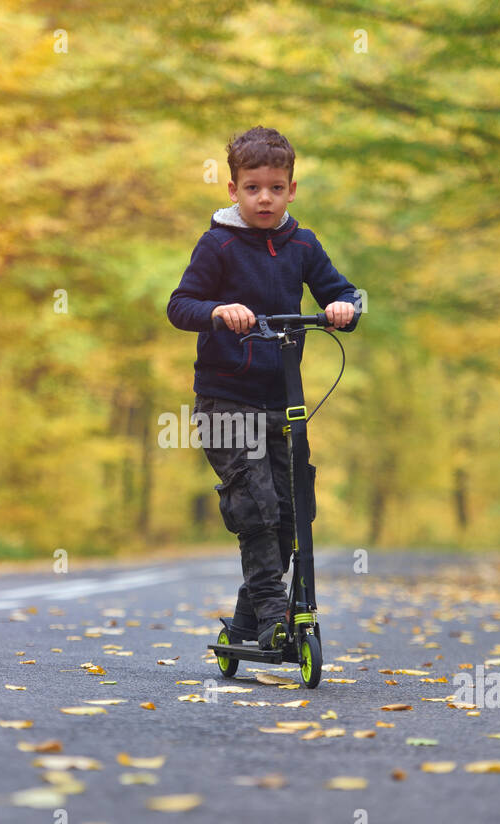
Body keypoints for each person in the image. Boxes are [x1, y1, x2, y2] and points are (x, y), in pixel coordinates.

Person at [167, 126, 360, 650]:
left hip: (284, 400)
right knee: (255, 507)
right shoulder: (218, 244)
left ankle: (247, 623)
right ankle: (278, 623)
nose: (265, 198)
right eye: (252, 188)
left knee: (292, 513)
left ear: (292, 189)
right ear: (233, 190)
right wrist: (217, 310)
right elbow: (180, 306)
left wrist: (344, 306)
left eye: (276, 187)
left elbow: (342, 291)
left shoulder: (302, 243)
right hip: (226, 399)